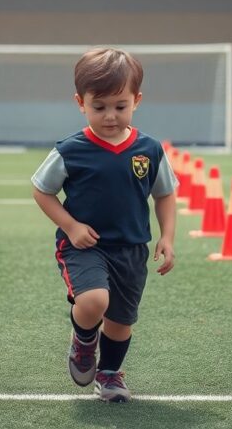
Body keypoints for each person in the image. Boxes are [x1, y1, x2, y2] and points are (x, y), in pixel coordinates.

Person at [31, 48, 177, 403]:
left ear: (136, 101)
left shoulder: (149, 149)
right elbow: (41, 190)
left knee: (120, 322)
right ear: (81, 102)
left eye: (120, 106)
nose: (110, 116)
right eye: (100, 107)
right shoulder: (71, 150)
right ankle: (83, 340)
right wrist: (70, 225)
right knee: (94, 301)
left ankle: (109, 374)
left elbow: (165, 194)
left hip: (131, 249)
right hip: (84, 247)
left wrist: (167, 237)